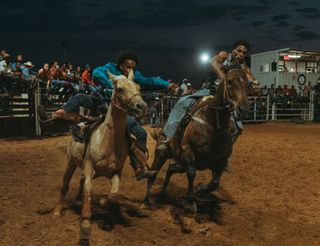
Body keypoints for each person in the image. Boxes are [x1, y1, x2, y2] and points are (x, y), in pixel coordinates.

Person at [39, 49, 175, 180]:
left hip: (118, 112)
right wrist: (112, 84)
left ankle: (139, 167)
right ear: (121, 65)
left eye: (133, 67)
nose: (130, 70)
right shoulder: (110, 68)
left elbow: (149, 81)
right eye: (128, 67)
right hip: (100, 102)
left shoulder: (134, 76)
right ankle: (53, 120)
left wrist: (165, 84)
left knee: (141, 134)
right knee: (79, 97)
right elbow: (97, 72)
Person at [157, 40, 258, 152]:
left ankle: (223, 151)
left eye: (244, 52)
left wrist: (255, 83)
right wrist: (223, 78)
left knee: (238, 127)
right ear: (233, 50)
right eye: (239, 50)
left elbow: (251, 78)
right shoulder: (224, 55)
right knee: (182, 102)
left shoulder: (244, 68)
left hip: (226, 98)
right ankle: (168, 139)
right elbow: (213, 62)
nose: (240, 54)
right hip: (209, 90)